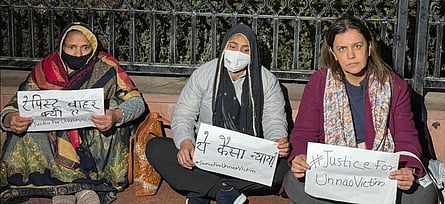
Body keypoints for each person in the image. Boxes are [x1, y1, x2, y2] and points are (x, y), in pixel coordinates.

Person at [282, 16, 438, 204]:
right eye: (342, 49)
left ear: (369, 47)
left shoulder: (394, 85)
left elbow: (406, 137)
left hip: (380, 170)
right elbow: (304, 132)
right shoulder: (319, 82)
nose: (351, 56)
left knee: (425, 192)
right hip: (335, 170)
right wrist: (300, 156)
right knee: (293, 182)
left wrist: (408, 169)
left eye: (357, 46)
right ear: (333, 53)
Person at [0, 22, 146, 204]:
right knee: (24, 126)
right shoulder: (46, 68)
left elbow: (136, 101)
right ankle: (59, 189)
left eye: (85, 48)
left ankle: (86, 186)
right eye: (72, 47)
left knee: (113, 113)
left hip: (92, 141)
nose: (78, 54)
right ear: (62, 46)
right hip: (52, 143)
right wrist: (9, 119)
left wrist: (116, 115)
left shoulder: (106, 66)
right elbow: (16, 104)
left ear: (93, 47)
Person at [146, 23, 290, 204]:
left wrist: (277, 140)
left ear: (253, 53)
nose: (238, 53)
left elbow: (273, 119)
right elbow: (183, 114)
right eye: (233, 47)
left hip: (247, 158)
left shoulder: (266, 80)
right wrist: (185, 142)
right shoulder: (205, 74)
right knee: (155, 148)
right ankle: (225, 192)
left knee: (285, 168)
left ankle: (201, 189)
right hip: (204, 155)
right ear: (224, 47)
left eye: (245, 50)